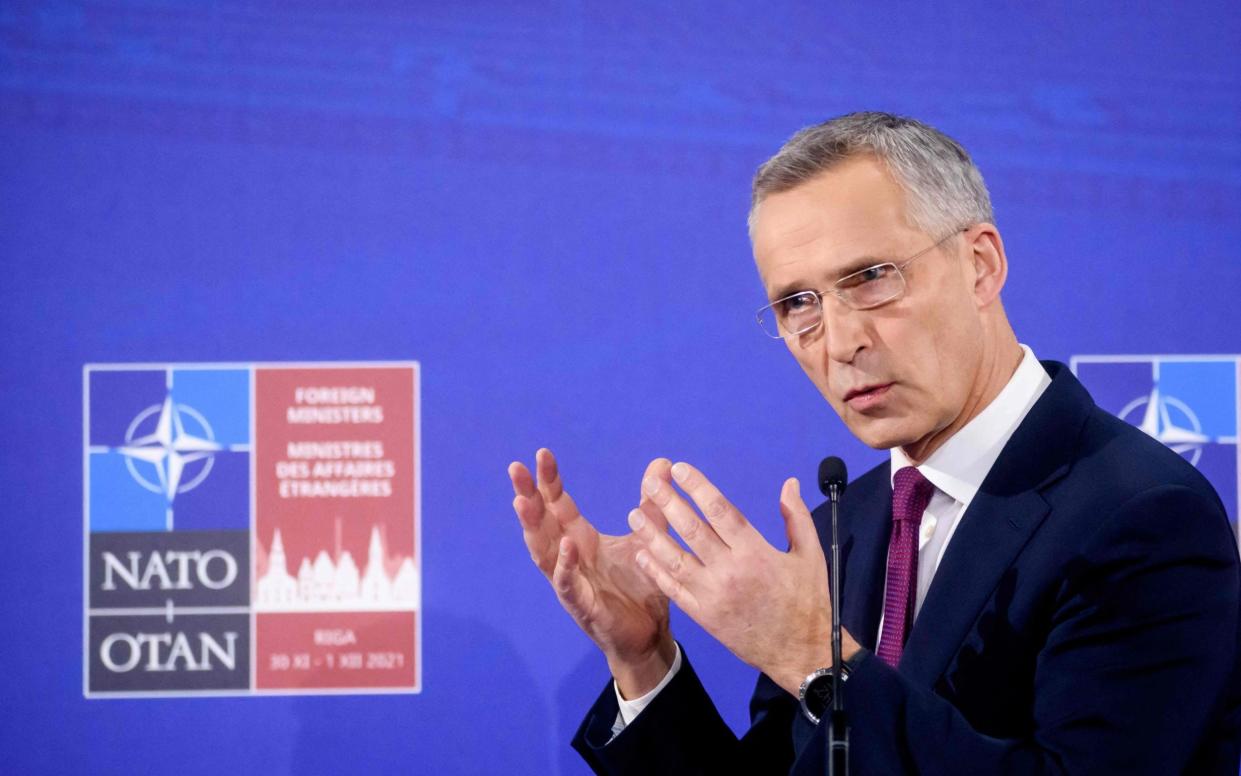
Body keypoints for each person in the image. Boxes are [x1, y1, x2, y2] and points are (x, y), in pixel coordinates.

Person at [507, 112, 1241, 774]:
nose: (839, 342)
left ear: (979, 264)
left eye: (868, 279)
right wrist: (644, 662)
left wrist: (814, 661)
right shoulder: (845, 524)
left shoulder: (1142, 514)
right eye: (798, 304)